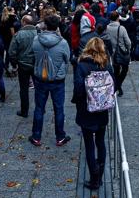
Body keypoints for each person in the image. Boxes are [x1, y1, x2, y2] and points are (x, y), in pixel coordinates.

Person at [72, 37, 114, 190]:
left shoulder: (82, 66)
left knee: (89, 145)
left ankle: (94, 178)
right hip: (102, 110)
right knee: (101, 142)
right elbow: (113, 86)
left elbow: (78, 89)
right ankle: (100, 175)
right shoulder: (106, 65)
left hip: (86, 110)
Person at [29, 15, 72, 147]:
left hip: (40, 78)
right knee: (59, 109)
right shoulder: (63, 43)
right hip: (57, 80)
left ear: (45, 25)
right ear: (57, 26)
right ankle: (60, 136)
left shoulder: (36, 40)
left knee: (39, 108)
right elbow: (67, 59)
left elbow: (32, 55)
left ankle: (36, 136)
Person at [8, 15, 37, 117]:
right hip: (36, 64)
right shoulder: (38, 33)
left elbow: (11, 52)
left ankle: (24, 111)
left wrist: (14, 64)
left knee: (24, 89)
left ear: (24, 22)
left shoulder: (18, 35)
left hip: (23, 64)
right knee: (38, 88)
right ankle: (40, 108)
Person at [107, 11, 131, 97]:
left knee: (116, 71)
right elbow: (128, 42)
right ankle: (117, 86)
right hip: (121, 52)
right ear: (117, 18)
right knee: (124, 69)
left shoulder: (107, 28)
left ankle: (118, 87)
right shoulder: (121, 28)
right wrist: (127, 50)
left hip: (112, 54)